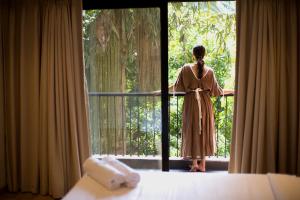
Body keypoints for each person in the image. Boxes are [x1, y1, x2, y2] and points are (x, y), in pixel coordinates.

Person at [170, 45, 234, 172]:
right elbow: (217, 91)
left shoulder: (186, 69)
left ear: (193, 55)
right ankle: (203, 164)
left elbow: (176, 87)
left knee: (192, 129)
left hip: (190, 103)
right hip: (205, 104)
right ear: (204, 55)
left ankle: (194, 164)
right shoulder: (210, 71)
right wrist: (234, 90)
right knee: (204, 130)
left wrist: (160, 90)